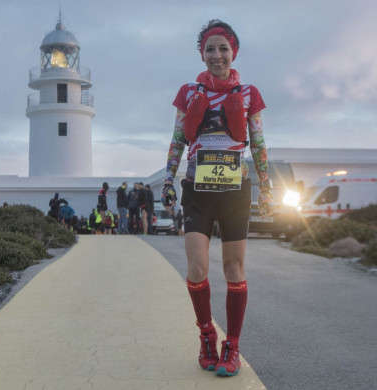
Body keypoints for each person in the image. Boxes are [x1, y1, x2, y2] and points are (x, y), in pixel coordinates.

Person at [160, 20, 273, 377]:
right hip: (196, 190)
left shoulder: (250, 93)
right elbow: (178, 137)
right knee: (196, 269)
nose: (217, 55)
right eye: (210, 48)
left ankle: (233, 347)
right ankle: (207, 335)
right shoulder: (189, 92)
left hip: (235, 192)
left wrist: (267, 186)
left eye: (223, 48)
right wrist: (168, 179)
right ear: (202, 54)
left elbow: (257, 143)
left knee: (234, 270)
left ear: (233, 52)